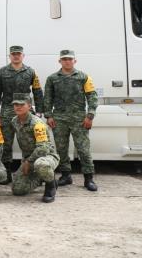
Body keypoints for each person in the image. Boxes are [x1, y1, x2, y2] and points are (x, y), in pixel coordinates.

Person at [44, 49, 99, 192]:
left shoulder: (83, 77)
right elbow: (48, 98)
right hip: (59, 119)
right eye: (64, 59)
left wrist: (90, 115)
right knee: (61, 149)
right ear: (59, 61)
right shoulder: (52, 78)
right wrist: (49, 115)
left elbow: (92, 96)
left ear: (75, 60)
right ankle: (66, 175)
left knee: (83, 149)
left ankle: (89, 178)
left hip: (79, 119)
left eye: (70, 59)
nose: (67, 61)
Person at [0, 45, 45, 184]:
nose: (16, 56)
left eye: (18, 54)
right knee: (5, 143)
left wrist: (39, 111)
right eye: (13, 54)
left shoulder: (30, 72)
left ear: (23, 56)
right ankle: (6, 173)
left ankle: (31, 171)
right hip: (7, 110)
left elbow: (37, 91)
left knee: (29, 142)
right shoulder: (2, 72)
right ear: (10, 56)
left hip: (25, 111)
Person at [9, 94, 59, 203]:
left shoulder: (37, 123)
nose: (18, 107)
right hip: (29, 158)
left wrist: (28, 161)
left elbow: (43, 148)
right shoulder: (14, 121)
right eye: (16, 104)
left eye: (22, 104)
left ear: (29, 106)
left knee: (41, 165)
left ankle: (51, 185)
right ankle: (41, 177)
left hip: (46, 156)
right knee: (18, 189)